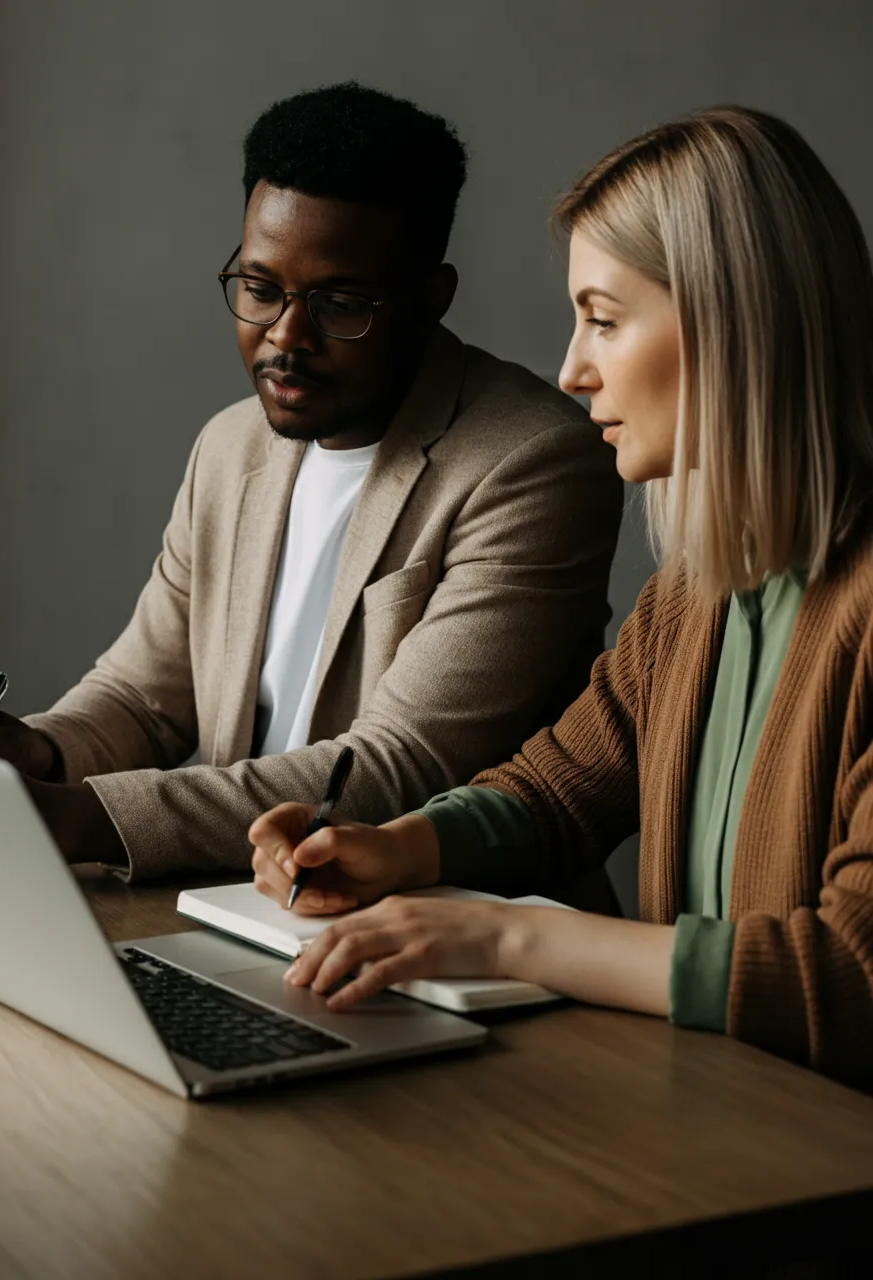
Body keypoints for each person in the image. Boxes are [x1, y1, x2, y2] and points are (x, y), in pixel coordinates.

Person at [249, 106, 873, 1086]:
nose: (571, 369)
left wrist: (507, 939)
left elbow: (849, 976)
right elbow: (555, 787)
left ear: (734, 321)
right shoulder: (691, 597)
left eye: (603, 318)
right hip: (706, 1122)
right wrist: (398, 848)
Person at [0, 83, 621, 887]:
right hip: (233, 910)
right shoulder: (230, 446)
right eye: (259, 288)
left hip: (445, 947)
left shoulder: (533, 462)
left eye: (340, 302)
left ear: (432, 297)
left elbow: (397, 769)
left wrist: (68, 817)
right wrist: (26, 755)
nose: (286, 336)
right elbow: (145, 698)